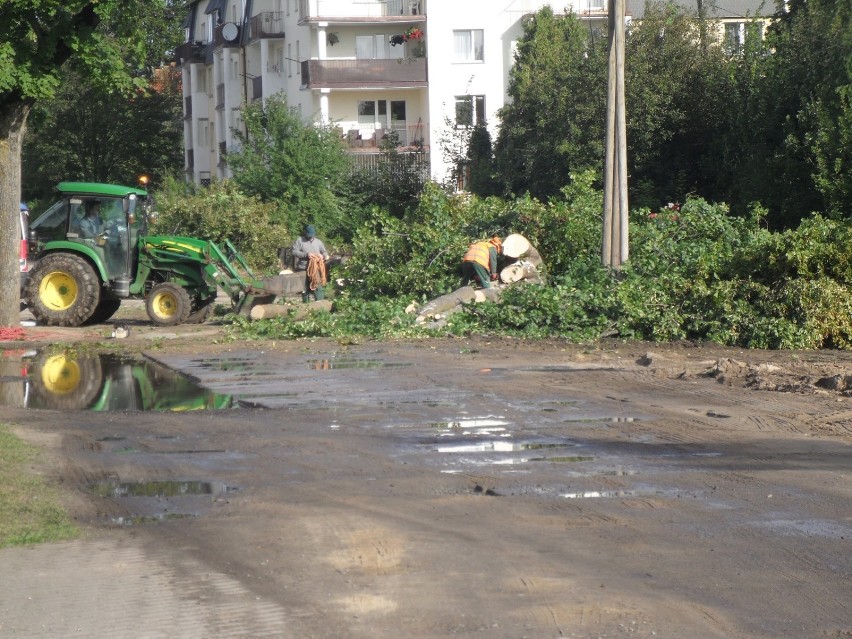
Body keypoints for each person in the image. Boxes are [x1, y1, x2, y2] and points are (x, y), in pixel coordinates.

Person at [291, 224, 330, 301]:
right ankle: (305, 305)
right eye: (309, 235)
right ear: (305, 233)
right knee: (304, 288)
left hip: (316, 268)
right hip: (303, 268)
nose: (310, 236)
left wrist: (322, 256)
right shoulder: (299, 240)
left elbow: (325, 252)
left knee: (317, 286)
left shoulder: (318, 242)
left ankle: (320, 304)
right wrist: (306, 254)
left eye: (312, 235)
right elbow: (294, 251)